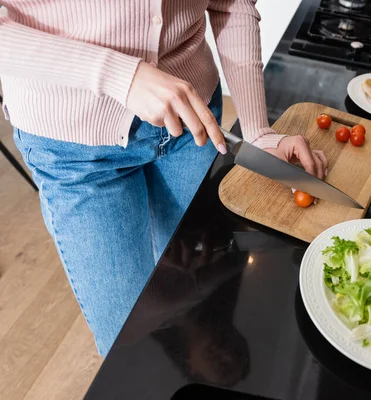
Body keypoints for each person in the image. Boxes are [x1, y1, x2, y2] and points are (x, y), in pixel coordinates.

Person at [0, 0, 328, 357]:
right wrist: (120, 75)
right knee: (128, 334)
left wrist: (257, 130)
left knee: (201, 272)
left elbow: (231, 4)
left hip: (193, 126)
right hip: (74, 144)